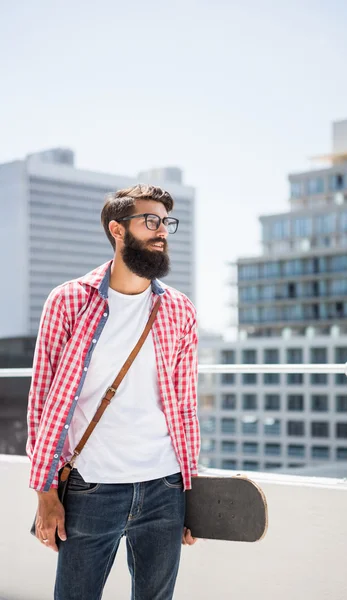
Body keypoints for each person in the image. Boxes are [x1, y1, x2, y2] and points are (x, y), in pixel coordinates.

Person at [27, 184, 200, 600]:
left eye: (166, 223)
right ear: (117, 230)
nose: (162, 231)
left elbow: (186, 406)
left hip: (165, 487)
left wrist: (192, 493)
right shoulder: (69, 301)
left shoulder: (179, 309)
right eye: (150, 221)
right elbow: (42, 403)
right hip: (91, 488)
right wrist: (45, 492)